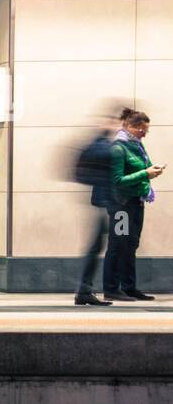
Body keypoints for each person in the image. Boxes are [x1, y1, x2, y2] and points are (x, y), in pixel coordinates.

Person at [104, 109, 164, 301]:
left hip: (136, 202)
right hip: (121, 205)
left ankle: (129, 287)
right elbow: (117, 180)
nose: (144, 133)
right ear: (129, 127)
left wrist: (152, 170)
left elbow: (145, 165)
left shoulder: (137, 146)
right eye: (141, 129)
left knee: (130, 245)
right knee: (117, 245)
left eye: (146, 130)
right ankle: (111, 288)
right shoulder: (118, 148)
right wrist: (145, 174)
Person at [73, 120, 117, 306]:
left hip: (101, 201)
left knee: (96, 246)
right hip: (102, 202)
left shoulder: (98, 145)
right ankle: (84, 290)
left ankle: (84, 290)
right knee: (95, 247)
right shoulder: (103, 147)